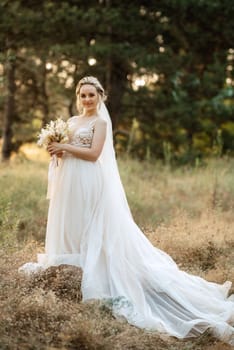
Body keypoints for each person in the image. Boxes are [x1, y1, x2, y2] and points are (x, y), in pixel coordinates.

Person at [19, 76, 234, 345]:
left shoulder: (101, 123)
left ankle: (100, 272)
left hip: (89, 180)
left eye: (91, 95)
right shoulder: (72, 123)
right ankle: (71, 272)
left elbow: (94, 154)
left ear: (100, 96)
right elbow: (68, 153)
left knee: (90, 225)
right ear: (78, 97)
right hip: (70, 182)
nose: (87, 99)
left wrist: (64, 146)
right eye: (83, 95)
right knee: (70, 223)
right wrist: (56, 150)